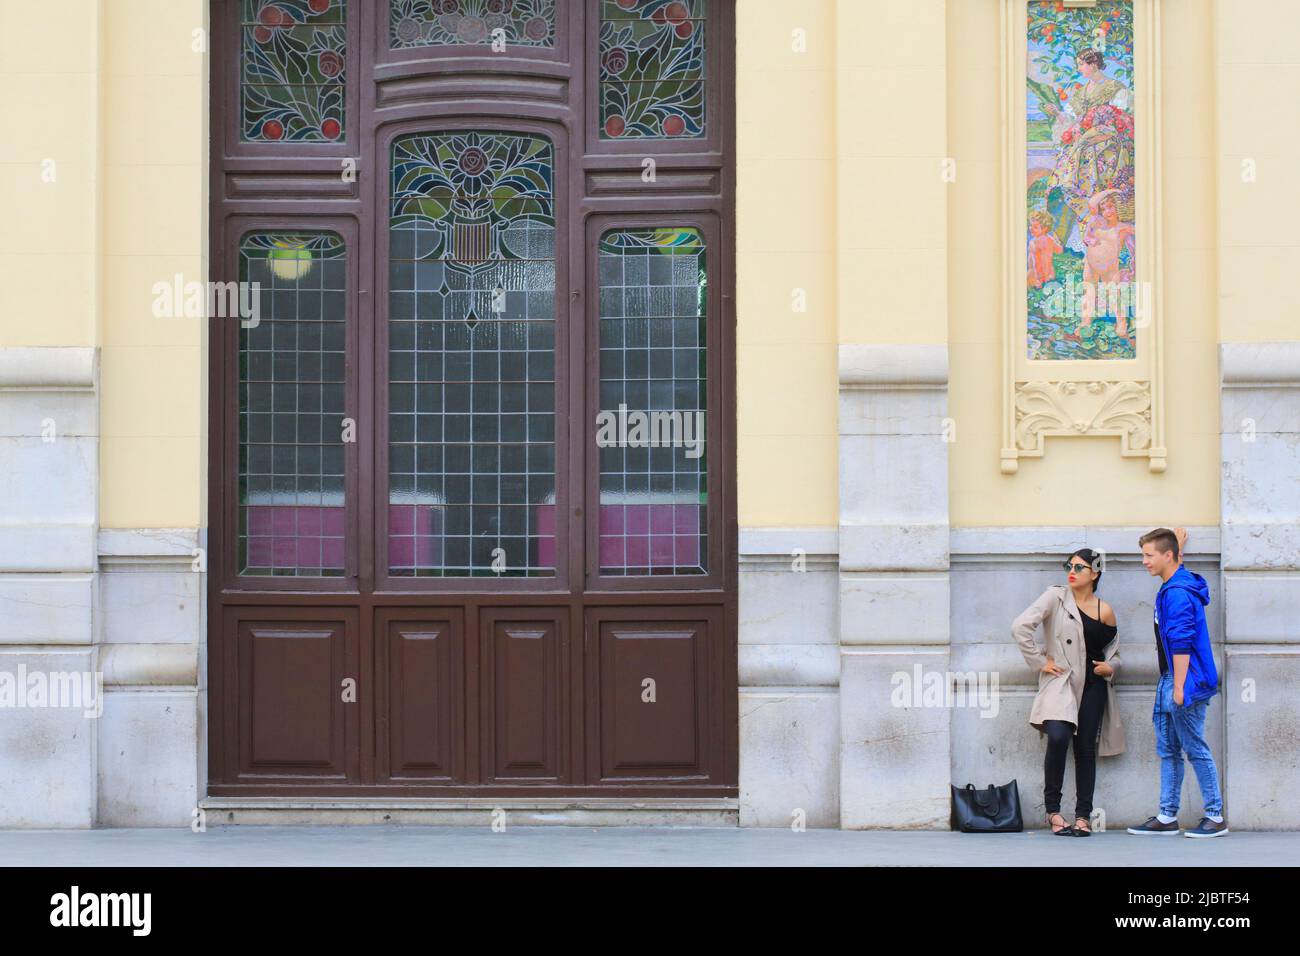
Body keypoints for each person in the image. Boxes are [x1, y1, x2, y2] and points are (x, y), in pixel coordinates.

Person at [1012, 548, 1125, 836]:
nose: (1071, 571)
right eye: (1069, 566)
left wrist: (1110, 668)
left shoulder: (1105, 610)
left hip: (1093, 685)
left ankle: (1083, 816)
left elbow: (1114, 652)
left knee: (1085, 748)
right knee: (1059, 737)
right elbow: (1020, 627)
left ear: (1095, 574)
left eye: (1079, 567)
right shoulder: (1056, 597)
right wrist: (1040, 661)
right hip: (1061, 681)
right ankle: (1053, 812)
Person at [1127, 527, 1228, 837]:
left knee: (1194, 747)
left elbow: (1181, 641)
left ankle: (1215, 815)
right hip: (1169, 679)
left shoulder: (1178, 593)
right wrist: (1178, 547)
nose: (1144, 561)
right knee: (1168, 749)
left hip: (1184, 680)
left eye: (1148, 555)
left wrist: (1180, 688)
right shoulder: (1175, 583)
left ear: (1166, 556)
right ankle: (1167, 816)